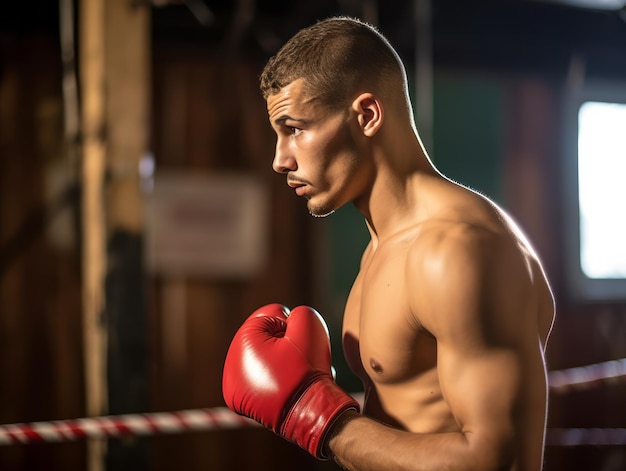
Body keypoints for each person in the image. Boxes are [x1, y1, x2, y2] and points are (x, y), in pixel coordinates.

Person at [222, 16, 555, 471]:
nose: (280, 159)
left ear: (367, 115)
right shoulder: (380, 248)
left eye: (294, 128)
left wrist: (322, 421)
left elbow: (500, 460)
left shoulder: (458, 252)